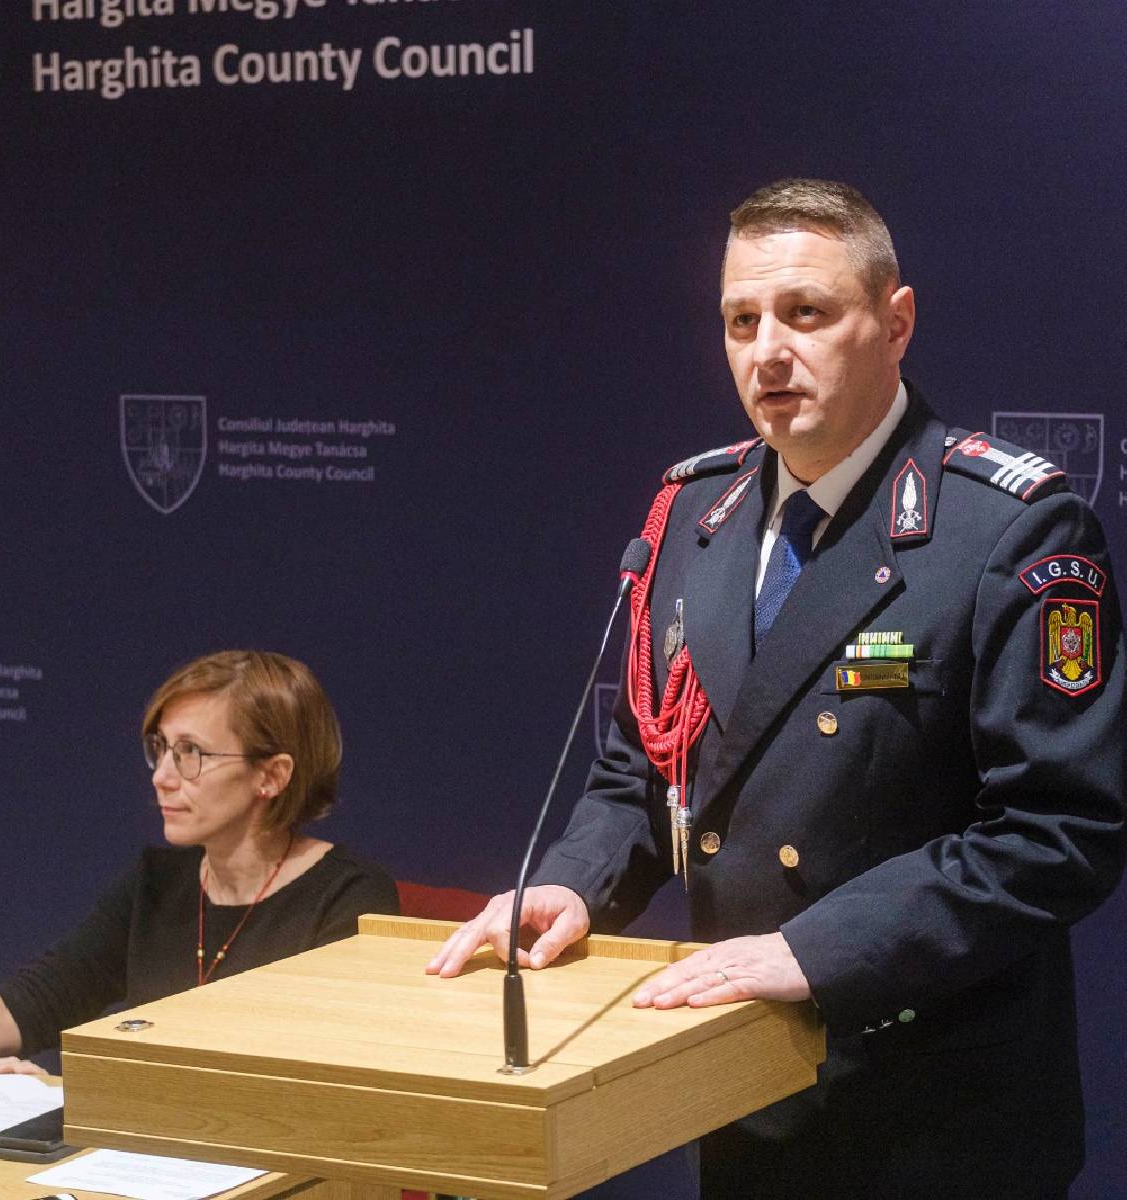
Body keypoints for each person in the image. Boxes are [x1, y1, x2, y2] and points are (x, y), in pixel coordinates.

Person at [427, 180, 1126, 1198]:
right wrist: (574, 884)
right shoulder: (693, 512)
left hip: (936, 1107)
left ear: (895, 323)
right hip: (746, 1084)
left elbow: (1059, 831)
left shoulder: (1006, 527)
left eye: (806, 312)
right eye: (740, 320)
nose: (767, 352)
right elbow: (644, 768)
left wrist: (817, 949)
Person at [0, 649, 398, 1071]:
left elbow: (298, 1081)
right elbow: (37, 999)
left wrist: (75, 1100)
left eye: (191, 754)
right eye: (161, 749)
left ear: (272, 775)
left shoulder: (349, 901)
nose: (162, 776)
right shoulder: (158, 883)